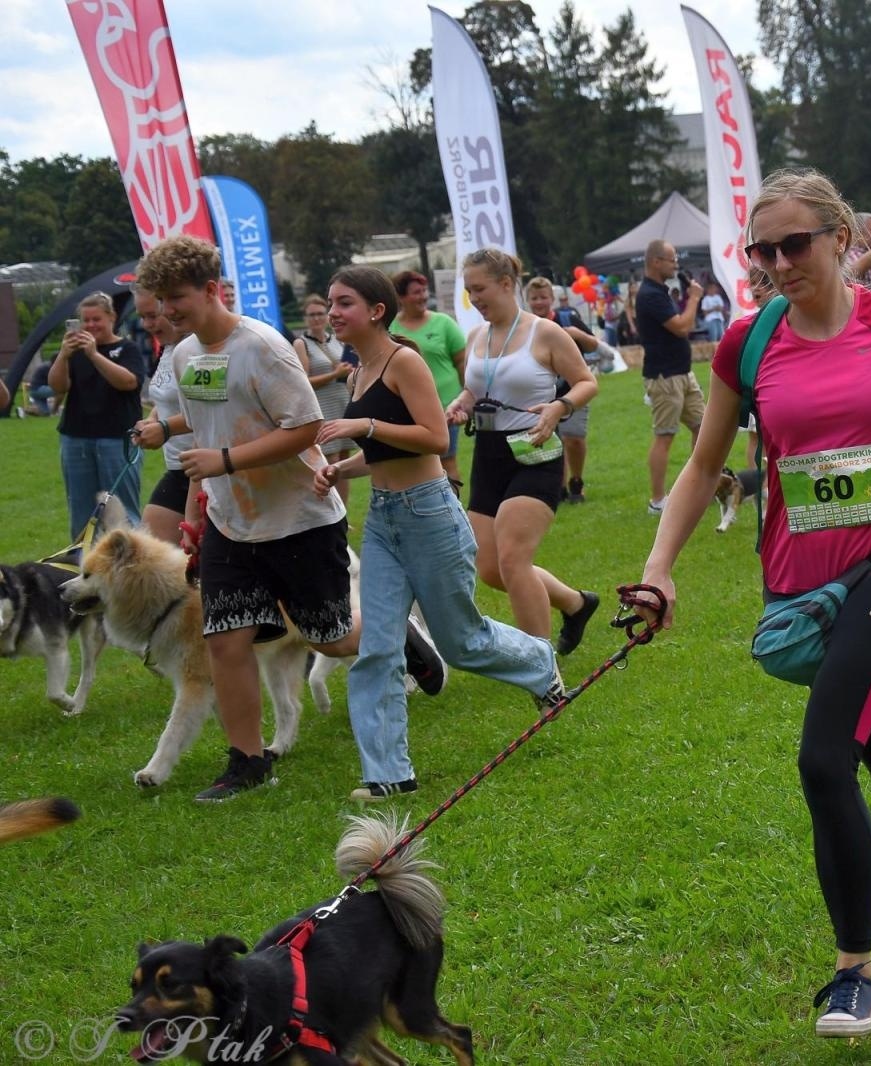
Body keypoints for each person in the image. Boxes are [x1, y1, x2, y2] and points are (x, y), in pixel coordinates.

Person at [634, 168, 871, 1039]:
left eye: (793, 245)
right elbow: (703, 465)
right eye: (761, 250)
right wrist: (659, 568)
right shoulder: (748, 341)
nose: (776, 264)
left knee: (823, 759)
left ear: (840, 239)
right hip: (802, 588)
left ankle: (854, 974)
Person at [136, 234, 444, 802]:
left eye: (177, 297)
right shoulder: (183, 356)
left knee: (330, 639)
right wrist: (195, 515)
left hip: (300, 520)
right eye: (160, 299)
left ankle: (401, 635)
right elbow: (204, 434)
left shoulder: (262, 347)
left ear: (210, 289)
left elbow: (304, 429)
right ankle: (248, 763)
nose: (168, 310)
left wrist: (227, 460)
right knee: (225, 639)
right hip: (229, 525)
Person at [312, 267, 565, 800]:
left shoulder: (404, 362)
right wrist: (341, 468)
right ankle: (388, 773)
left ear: (376, 311)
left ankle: (540, 662)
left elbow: (433, 436)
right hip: (383, 519)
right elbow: (382, 453)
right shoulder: (358, 373)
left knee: (462, 641)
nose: (333, 312)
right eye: (331, 303)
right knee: (378, 646)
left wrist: (365, 426)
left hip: (429, 514)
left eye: (344, 303)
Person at [443, 248, 601, 653]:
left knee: (513, 559)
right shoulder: (477, 336)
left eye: (480, 289)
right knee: (491, 569)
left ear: (506, 284)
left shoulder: (544, 332)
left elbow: (587, 382)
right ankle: (576, 604)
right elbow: (475, 390)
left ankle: (539, 664)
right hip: (489, 455)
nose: (474, 298)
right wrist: (461, 404)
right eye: (468, 291)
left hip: (534, 450)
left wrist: (559, 407)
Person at [48, 291, 146, 538]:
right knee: (81, 512)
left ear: (112, 317)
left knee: (122, 511)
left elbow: (128, 382)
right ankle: (84, 558)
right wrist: (63, 355)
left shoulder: (127, 348)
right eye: (86, 320)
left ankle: (129, 558)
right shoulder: (74, 352)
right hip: (76, 439)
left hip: (117, 439)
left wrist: (94, 355)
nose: (91, 325)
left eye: (97, 319)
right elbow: (57, 387)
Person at [635, 239, 705, 515]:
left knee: (703, 427)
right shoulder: (649, 295)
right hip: (664, 376)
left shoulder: (660, 292)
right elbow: (681, 327)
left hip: (682, 373)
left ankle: (700, 486)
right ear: (656, 262)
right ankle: (657, 500)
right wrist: (694, 298)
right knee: (665, 436)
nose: (676, 265)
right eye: (672, 259)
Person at [390, 270, 468, 488]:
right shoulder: (390, 328)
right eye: (416, 292)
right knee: (414, 464)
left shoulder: (444, 323)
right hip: (405, 410)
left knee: (446, 460)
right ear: (401, 297)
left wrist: (465, 399)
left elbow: (462, 363)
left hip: (445, 407)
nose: (423, 296)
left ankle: (454, 505)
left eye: (424, 291)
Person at [525, 276, 599, 504]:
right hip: (541, 394)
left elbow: (594, 345)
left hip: (573, 389)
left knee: (573, 438)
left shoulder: (568, 319)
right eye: (534, 298)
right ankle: (558, 487)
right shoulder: (525, 327)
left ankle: (576, 481)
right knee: (550, 441)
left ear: (552, 299)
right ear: (527, 301)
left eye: (543, 297)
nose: (539, 302)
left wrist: (576, 334)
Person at [129, 286, 193, 544]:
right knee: (151, 552)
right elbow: (170, 398)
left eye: (152, 315)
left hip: (210, 470)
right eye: (142, 317)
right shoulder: (168, 347)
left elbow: (208, 411)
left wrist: (165, 428)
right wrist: (153, 419)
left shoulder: (196, 349)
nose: (147, 324)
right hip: (179, 469)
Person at [292, 296, 356, 504]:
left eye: (320, 313)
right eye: (312, 315)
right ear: (305, 318)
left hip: (342, 402)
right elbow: (302, 381)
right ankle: (333, 508)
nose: (317, 318)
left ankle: (344, 511)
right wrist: (334, 374)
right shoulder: (302, 343)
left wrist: (350, 371)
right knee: (331, 462)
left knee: (344, 461)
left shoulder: (338, 339)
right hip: (322, 407)